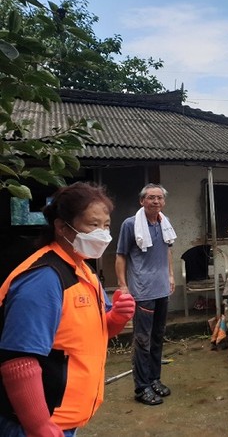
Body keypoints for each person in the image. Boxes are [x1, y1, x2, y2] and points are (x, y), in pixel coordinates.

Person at [0, 182, 135, 436]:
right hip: (31, 424)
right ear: (62, 227)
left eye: (106, 225)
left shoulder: (84, 270)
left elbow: (96, 332)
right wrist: (38, 424)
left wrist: (117, 316)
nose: (103, 233)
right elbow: (18, 360)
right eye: (93, 225)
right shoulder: (43, 279)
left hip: (63, 420)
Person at [115, 183, 177, 406]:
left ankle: (154, 379)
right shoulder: (130, 225)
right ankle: (142, 388)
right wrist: (122, 285)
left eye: (160, 198)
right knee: (143, 340)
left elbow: (167, 250)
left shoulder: (164, 224)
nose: (156, 202)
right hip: (142, 291)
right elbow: (121, 255)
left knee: (158, 337)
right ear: (142, 201)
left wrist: (170, 275)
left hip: (161, 289)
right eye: (151, 198)